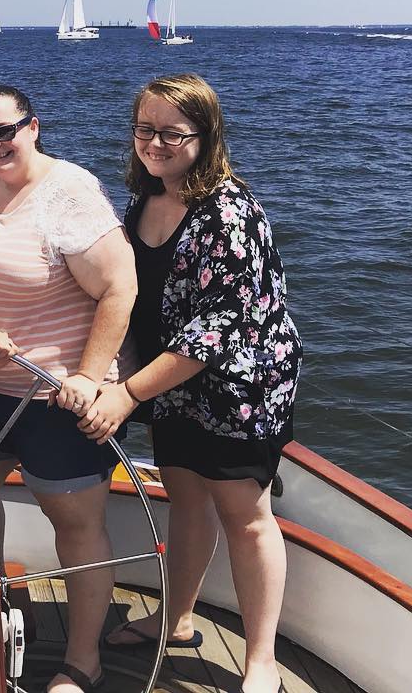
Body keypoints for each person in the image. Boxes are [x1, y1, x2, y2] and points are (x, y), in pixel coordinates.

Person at [81, 74, 302, 693]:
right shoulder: (142, 200)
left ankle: (261, 662)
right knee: (185, 502)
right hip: (168, 387)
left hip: (238, 393)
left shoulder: (230, 213)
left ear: (206, 137)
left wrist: (125, 394)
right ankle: (175, 620)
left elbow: (217, 330)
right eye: (145, 129)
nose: (156, 143)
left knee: (245, 515)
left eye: (173, 133)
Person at [0, 84, 137, 693]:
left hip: (56, 400)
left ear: (34, 126)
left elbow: (120, 287)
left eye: (6, 131)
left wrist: (87, 376)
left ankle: (82, 662)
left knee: (76, 527)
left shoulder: (68, 193)